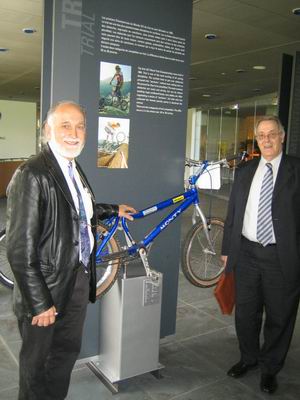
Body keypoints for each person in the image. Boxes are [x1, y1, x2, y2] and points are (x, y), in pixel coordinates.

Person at [6, 101, 136, 400]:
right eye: (66, 125)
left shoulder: (71, 166)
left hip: (76, 280)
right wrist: (39, 303)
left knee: (64, 357)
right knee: (36, 369)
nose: (74, 133)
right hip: (46, 291)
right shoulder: (32, 173)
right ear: (47, 129)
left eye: (80, 126)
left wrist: (111, 209)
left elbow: (76, 211)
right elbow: (18, 249)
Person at [221, 115, 300, 394]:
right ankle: (249, 358)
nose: (266, 140)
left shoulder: (295, 170)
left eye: (272, 134)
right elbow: (232, 214)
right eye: (261, 135)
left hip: (282, 257)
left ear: (282, 136)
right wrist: (226, 251)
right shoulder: (245, 171)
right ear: (257, 140)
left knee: (280, 317)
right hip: (246, 254)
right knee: (246, 313)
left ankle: (270, 368)